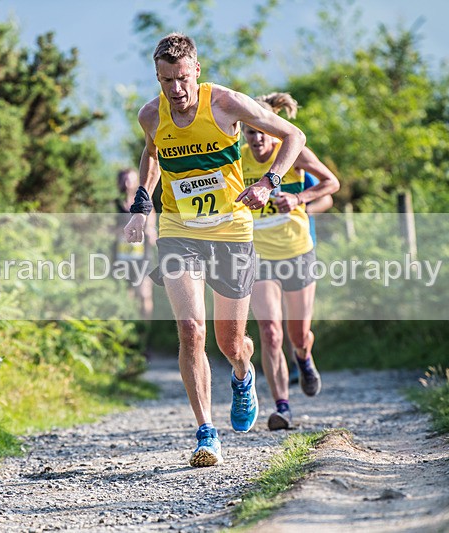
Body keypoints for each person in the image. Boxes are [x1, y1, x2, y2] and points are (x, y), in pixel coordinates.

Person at [123, 33, 306, 467]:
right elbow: (151, 155)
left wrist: (268, 182)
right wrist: (141, 206)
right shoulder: (151, 114)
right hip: (179, 230)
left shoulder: (225, 103)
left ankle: (244, 375)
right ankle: (206, 433)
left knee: (229, 342)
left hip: (230, 232)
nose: (176, 90)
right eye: (166, 80)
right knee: (191, 330)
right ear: (158, 77)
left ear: (196, 72)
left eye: (182, 78)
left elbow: (293, 135)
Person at [241, 92, 340, 431]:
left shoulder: (293, 153)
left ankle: (303, 355)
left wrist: (298, 198)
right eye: (249, 132)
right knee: (270, 332)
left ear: (273, 129)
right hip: (258, 255)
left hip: (297, 251)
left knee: (298, 333)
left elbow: (332, 183)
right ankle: (283, 407)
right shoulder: (237, 161)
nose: (255, 139)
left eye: (260, 132)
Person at [287, 170, 334, 385]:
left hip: (302, 246)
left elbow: (327, 198)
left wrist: (303, 208)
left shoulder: (299, 168)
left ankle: (301, 356)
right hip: (267, 248)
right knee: (274, 316)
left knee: (297, 318)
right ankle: (290, 364)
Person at [114, 168, 155, 322]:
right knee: (125, 295)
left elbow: (151, 229)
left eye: (130, 180)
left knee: (144, 294)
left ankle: (145, 331)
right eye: (123, 180)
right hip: (120, 258)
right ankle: (126, 333)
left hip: (142, 257)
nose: (127, 184)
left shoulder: (144, 204)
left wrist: (149, 231)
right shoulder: (114, 204)